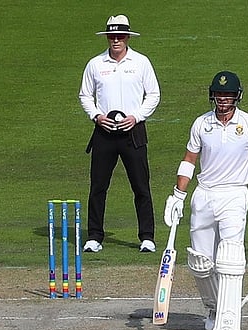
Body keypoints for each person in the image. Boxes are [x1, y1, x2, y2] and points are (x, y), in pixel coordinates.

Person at [163, 71, 248, 330]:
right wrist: (178, 195)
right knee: (200, 261)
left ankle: (228, 321)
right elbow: (189, 160)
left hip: (235, 194)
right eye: (219, 94)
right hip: (204, 194)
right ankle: (215, 309)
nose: (223, 99)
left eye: (228, 95)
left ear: (237, 96)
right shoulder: (201, 124)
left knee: (229, 255)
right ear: (212, 95)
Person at [78, 14, 161, 254]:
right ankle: (94, 236)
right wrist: (96, 116)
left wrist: (136, 117)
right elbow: (85, 95)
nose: (115, 40)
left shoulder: (141, 62)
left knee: (141, 186)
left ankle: (147, 237)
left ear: (126, 37)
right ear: (107, 38)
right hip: (104, 133)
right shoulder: (96, 64)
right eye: (111, 36)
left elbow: (153, 94)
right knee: (98, 187)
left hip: (132, 132)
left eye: (119, 36)